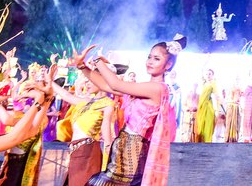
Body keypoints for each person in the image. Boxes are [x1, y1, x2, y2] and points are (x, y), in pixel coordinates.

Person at [72, 41, 177, 186]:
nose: (150, 61)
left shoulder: (158, 88)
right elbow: (106, 86)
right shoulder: (143, 87)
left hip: (132, 153)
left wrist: (97, 61)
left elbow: (116, 84)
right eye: (149, 57)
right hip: (123, 149)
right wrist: (82, 66)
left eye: (156, 59)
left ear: (168, 64)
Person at [53, 76, 117, 186]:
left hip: (88, 152)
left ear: (101, 82)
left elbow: (106, 132)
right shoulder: (86, 100)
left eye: (90, 81)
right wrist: (50, 80)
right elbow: (66, 95)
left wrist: (111, 160)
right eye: (86, 81)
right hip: (75, 150)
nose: (87, 84)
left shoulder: (107, 104)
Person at [192, 70, 218, 143]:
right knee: (200, 127)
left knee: (207, 126)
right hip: (201, 107)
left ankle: (207, 143)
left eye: (210, 74)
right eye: (206, 74)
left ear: (212, 75)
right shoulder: (203, 84)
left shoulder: (213, 84)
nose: (208, 76)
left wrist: (217, 107)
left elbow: (216, 94)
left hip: (208, 107)